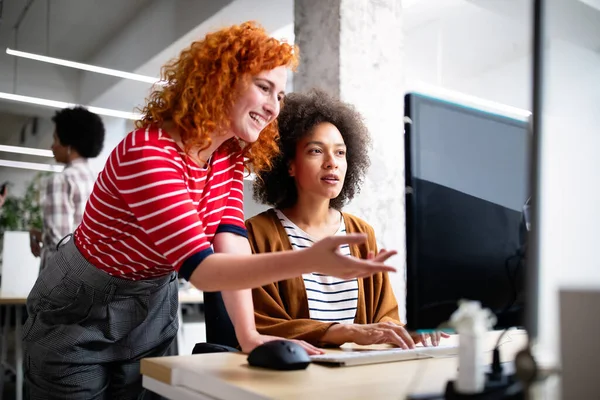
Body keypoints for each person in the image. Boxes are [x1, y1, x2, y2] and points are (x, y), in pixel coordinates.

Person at [22, 22, 397, 400]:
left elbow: (230, 242)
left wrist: (248, 336)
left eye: (280, 95)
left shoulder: (228, 156)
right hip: (82, 308)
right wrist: (308, 259)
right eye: (263, 87)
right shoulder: (149, 153)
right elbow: (203, 271)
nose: (272, 107)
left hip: (154, 303)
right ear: (220, 80)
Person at [247, 89, 448, 348]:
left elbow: (383, 318)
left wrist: (408, 331)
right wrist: (345, 332)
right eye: (316, 151)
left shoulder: (360, 233)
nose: (332, 163)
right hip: (292, 377)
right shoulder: (257, 234)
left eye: (340, 153)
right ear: (289, 165)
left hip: (356, 375)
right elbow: (262, 323)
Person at [29, 107, 105, 270]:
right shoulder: (98, 179)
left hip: (57, 280)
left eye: (56, 139)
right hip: (88, 275)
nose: (52, 146)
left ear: (69, 143)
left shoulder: (61, 180)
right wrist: (42, 235)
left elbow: (60, 243)